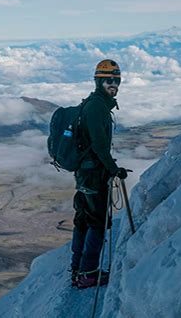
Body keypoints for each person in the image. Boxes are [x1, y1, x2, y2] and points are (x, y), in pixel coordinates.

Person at [71, 59, 128, 289]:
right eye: (108, 80)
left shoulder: (96, 104)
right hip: (94, 175)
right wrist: (114, 169)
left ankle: (78, 270)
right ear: (98, 81)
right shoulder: (97, 107)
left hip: (86, 173)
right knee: (96, 222)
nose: (113, 84)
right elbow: (99, 145)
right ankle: (89, 273)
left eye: (116, 80)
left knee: (84, 220)